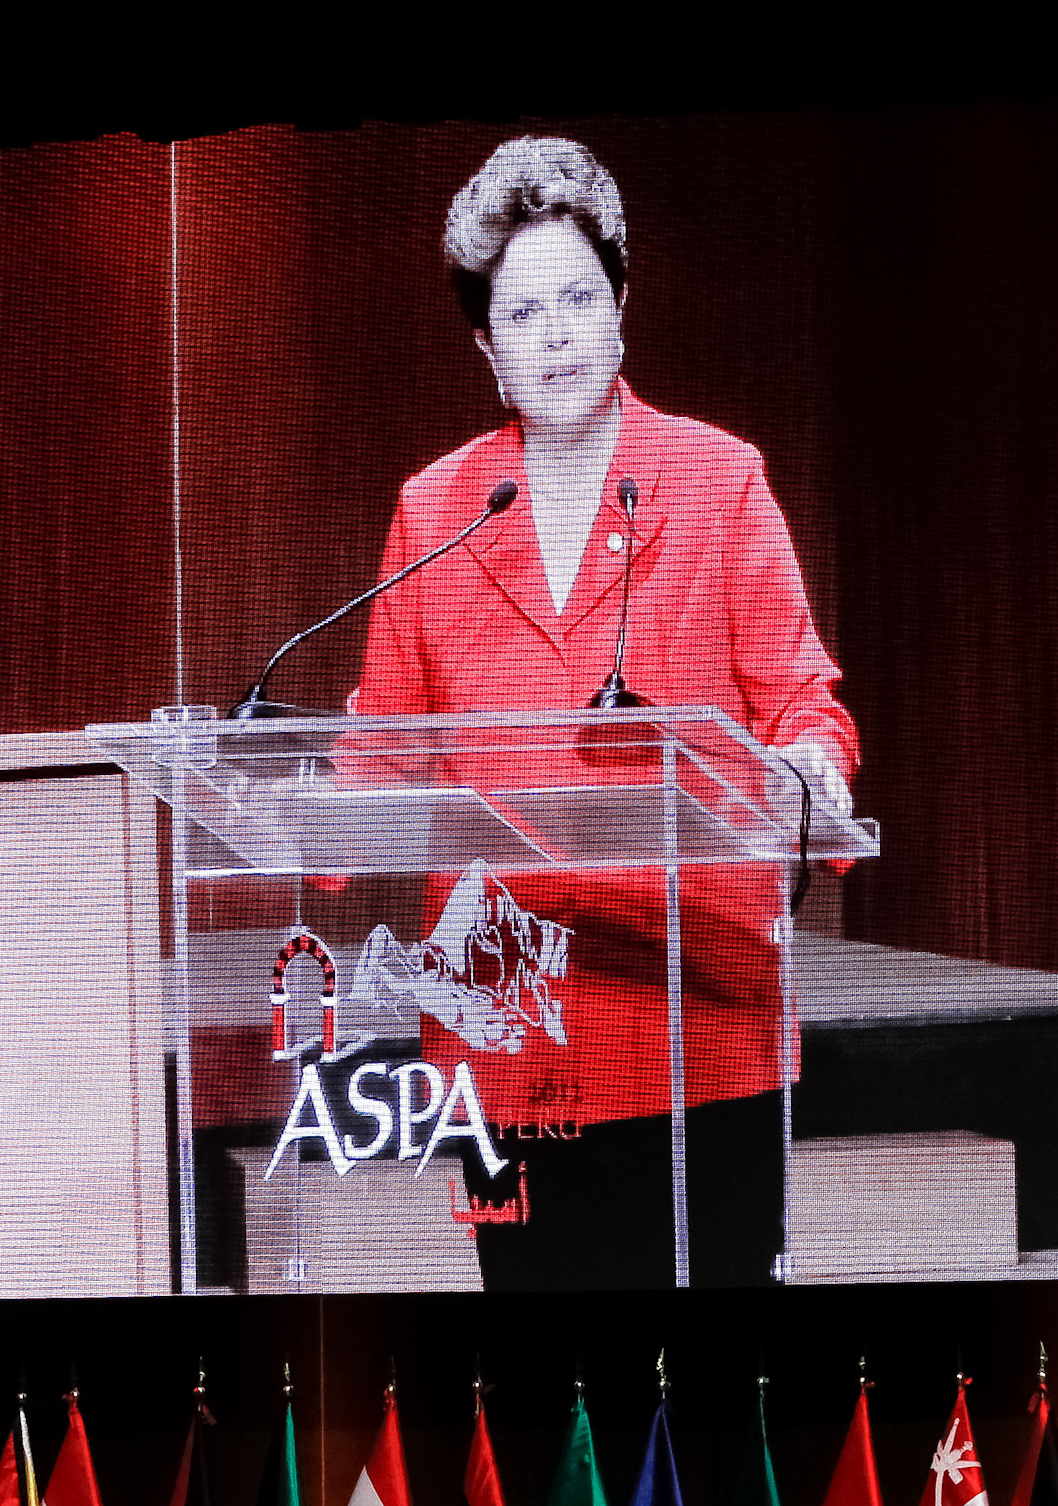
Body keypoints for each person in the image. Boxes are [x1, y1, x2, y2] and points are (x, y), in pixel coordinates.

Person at [348, 135, 862, 1291]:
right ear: (484, 343)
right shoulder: (434, 509)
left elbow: (800, 705)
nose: (558, 335)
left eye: (579, 299)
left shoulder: (718, 480)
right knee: (549, 1419)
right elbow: (378, 745)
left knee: (710, 1426)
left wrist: (811, 771)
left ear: (621, 304)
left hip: (700, 1028)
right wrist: (303, 808)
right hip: (511, 1037)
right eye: (523, 315)